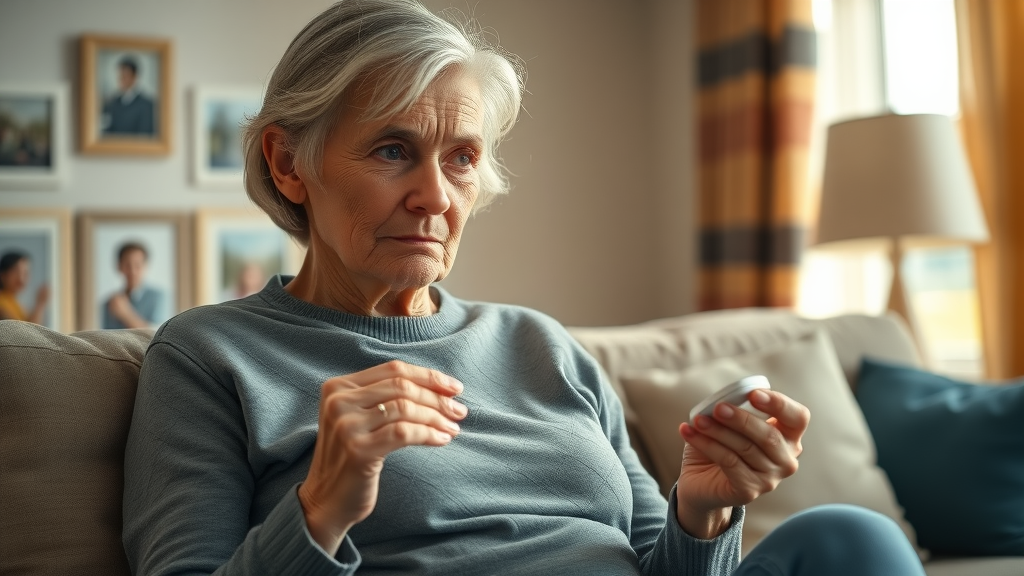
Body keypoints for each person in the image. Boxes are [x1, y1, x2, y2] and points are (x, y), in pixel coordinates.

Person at [121, 1, 928, 575]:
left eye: (462, 157)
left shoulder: (541, 344)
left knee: (849, 539)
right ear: (288, 163)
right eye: (394, 149)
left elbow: (664, 565)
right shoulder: (209, 355)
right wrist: (321, 509)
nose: (436, 196)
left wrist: (703, 508)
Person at [102, 241, 165, 329]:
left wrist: (125, 314)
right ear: (119, 266)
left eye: (137, 265)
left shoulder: (158, 297)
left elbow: (157, 335)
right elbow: (105, 337)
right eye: (127, 265)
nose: (132, 271)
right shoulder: (109, 303)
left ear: (145, 266)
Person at [101, 55, 156, 136]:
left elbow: (146, 135)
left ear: (134, 77)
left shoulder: (147, 105)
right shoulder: (111, 104)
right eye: (120, 76)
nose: (122, 79)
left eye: (125, 76)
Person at [0, 251, 49, 323]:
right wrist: (40, 304)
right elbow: (26, 332)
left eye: (25, 273)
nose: (21, 279)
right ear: (3, 274)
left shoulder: (16, 303)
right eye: (16, 272)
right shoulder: (2, 302)